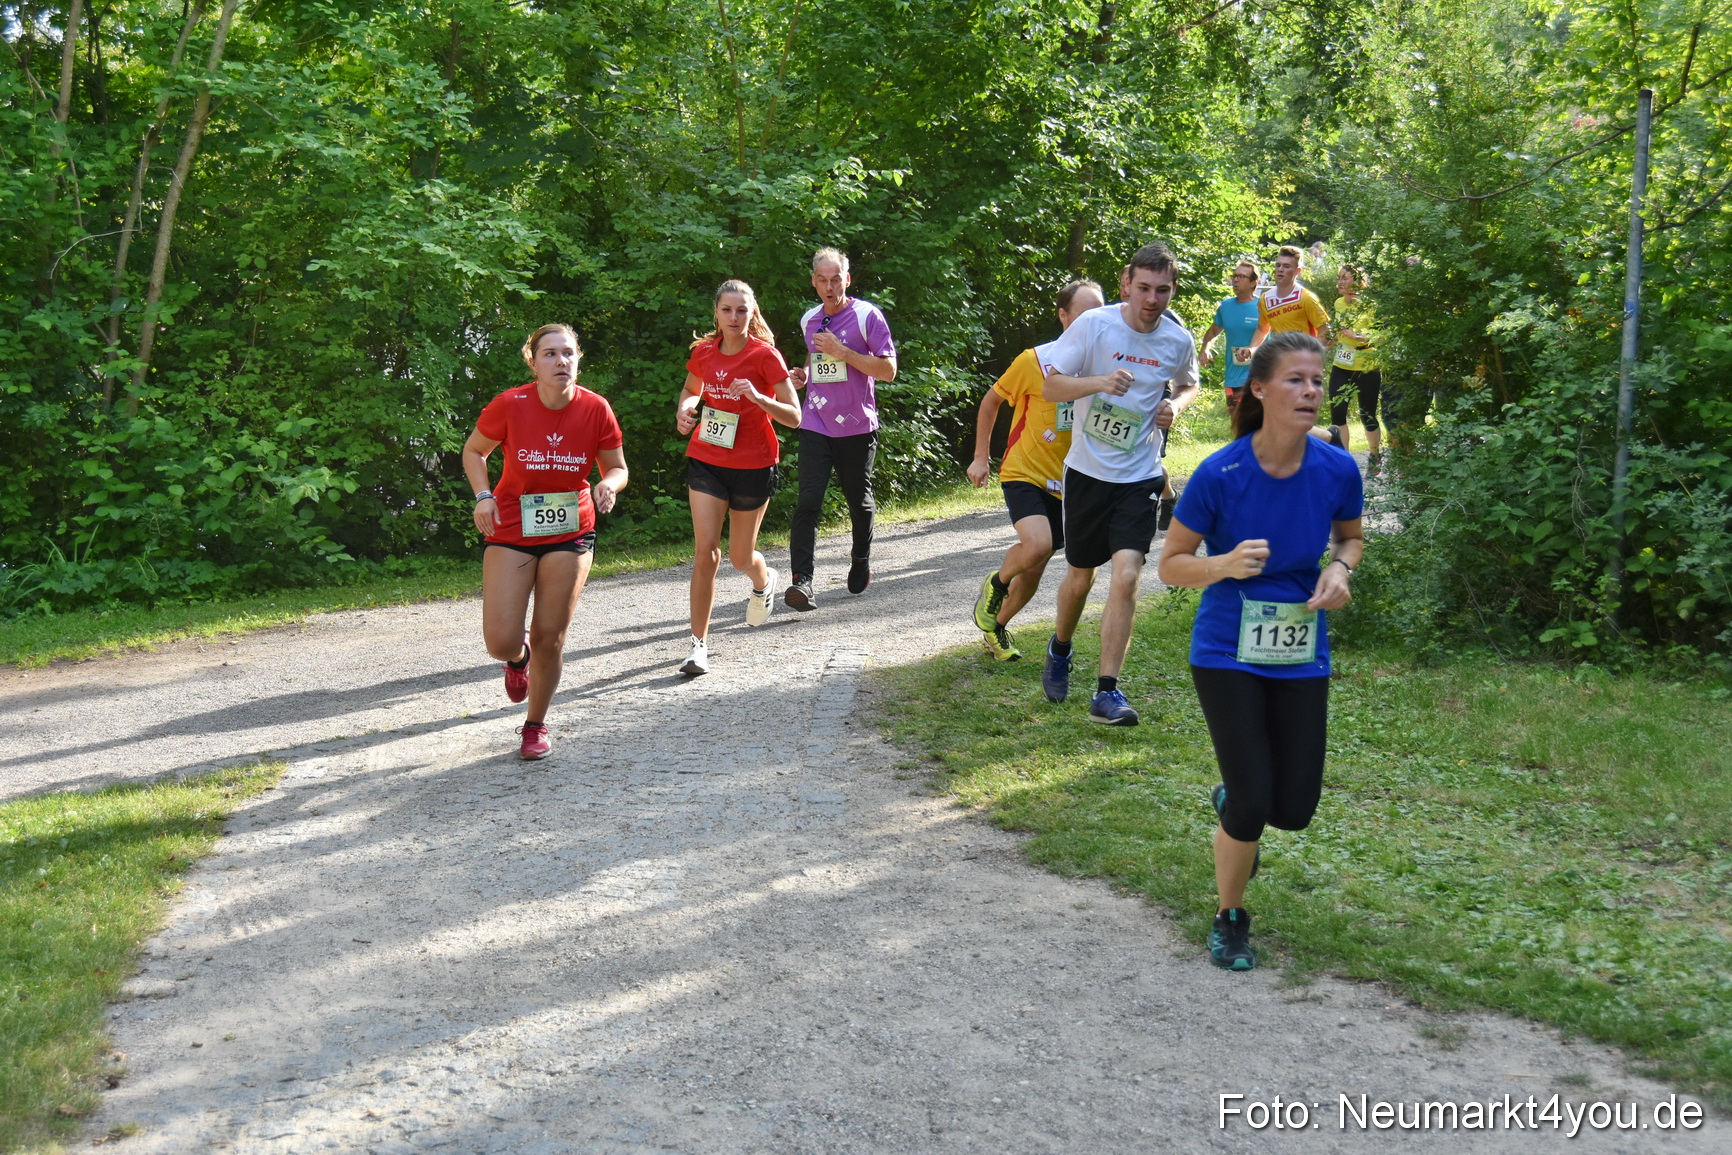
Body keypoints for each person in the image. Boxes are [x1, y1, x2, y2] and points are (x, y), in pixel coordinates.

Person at [1156, 331, 1365, 971]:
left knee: (1294, 809)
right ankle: (1231, 916)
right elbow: (1171, 566)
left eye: (1317, 381)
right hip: (1226, 651)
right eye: (1297, 380)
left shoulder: (1337, 468)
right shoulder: (1222, 474)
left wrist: (1340, 572)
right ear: (1261, 389)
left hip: (1300, 647)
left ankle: (1235, 801)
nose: (1310, 391)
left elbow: (1350, 540)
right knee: (1253, 803)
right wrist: (1222, 564)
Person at [1038, 241, 1200, 725]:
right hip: (1088, 471)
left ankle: (1107, 692)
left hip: (1141, 474)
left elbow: (1191, 381)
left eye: (1163, 290)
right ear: (1127, 283)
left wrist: (1178, 406)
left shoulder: (1177, 339)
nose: (1152, 299)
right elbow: (1051, 385)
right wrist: (1100, 382)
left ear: (1172, 290)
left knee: (1127, 573)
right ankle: (1061, 646)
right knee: (1081, 576)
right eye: (1144, 288)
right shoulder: (1095, 325)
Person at [463, 324, 628, 760]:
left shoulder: (596, 408)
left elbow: (618, 467)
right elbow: (474, 451)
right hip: (513, 525)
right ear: (533, 362)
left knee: (550, 635)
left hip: (572, 529)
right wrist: (483, 496)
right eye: (550, 354)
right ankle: (517, 661)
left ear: (578, 359)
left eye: (568, 353)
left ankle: (535, 724)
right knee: (500, 640)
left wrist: (608, 485)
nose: (561, 362)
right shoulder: (510, 404)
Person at [966, 279, 1106, 660]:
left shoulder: (1105, 366)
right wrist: (981, 457)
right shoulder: (1035, 361)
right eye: (1085, 313)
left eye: (1101, 312)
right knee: (1038, 545)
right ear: (1063, 316)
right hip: (1024, 472)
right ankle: (995, 583)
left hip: (1073, 480)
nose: (1095, 321)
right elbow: (991, 402)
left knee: (1036, 564)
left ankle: (996, 629)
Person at [673, 280, 802, 676]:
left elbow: (794, 416)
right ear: (716, 312)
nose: (734, 318)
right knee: (706, 552)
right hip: (708, 458)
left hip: (754, 463)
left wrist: (759, 398)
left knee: (740, 556)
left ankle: (763, 579)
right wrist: (686, 409)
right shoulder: (704, 353)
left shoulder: (765, 357)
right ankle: (698, 646)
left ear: (752, 312)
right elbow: (692, 389)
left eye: (741, 310)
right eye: (727, 310)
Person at [783, 248, 897, 611]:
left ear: (847, 279)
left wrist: (843, 351)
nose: (829, 287)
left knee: (858, 501)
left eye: (836, 279)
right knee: (808, 502)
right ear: (814, 281)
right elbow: (815, 361)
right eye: (823, 280)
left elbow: (888, 370)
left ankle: (861, 557)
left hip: (857, 425)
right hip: (816, 422)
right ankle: (802, 581)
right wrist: (802, 376)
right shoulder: (810, 320)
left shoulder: (867, 317)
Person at [1329, 263, 1382, 461]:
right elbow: (1338, 331)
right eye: (1339, 278)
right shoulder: (1338, 304)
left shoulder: (1370, 305)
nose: (1340, 283)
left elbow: (1380, 336)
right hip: (1341, 364)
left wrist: (1357, 336)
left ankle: (1375, 455)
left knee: (1367, 415)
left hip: (1366, 364)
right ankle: (1345, 459)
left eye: (1344, 278)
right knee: (1338, 412)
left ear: (1358, 281)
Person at [1198, 260, 1263, 420]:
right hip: (1234, 378)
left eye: (1241, 276)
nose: (1235, 280)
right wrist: (1205, 348)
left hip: (1261, 376)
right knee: (1238, 425)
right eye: (1235, 276)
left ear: (1254, 282)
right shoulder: (1226, 306)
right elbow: (1213, 331)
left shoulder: (1263, 306)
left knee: (1261, 425)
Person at [1251, 245, 1331, 347]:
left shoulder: (1307, 298)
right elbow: (1262, 330)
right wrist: (1251, 350)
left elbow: (1327, 334)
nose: (1280, 269)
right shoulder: (1265, 299)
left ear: (1298, 271)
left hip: (1303, 361)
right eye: (1278, 265)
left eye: (1286, 266)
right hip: (1280, 359)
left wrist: (1307, 353)